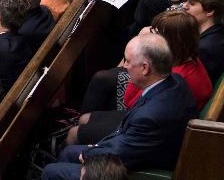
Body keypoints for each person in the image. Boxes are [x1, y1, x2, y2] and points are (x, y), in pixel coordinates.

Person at [41, 34, 197, 178]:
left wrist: (92, 151)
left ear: (145, 68)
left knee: (51, 172)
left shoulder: (151, 117)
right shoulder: (174, 80)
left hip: (142, 166)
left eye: (128, 61)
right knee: (68, 152)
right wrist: (97, 146)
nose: (125, 66)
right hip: (138, 145)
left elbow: (122, 153)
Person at [72, 11, 211, 145]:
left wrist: (141, 48)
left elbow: (130, 101)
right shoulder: (184, 58)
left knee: (74, 132)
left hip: (148, 130)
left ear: (170, 40)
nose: (150, 35)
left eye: (156, 33)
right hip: (148, 118)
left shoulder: (176, 76)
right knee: (85, 117)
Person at [182, 0, 224, 82]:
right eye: (186, 1)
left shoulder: (203, 49)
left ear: (209, 11)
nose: (184, 6)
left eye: (191, 3)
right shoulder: (221, 31)